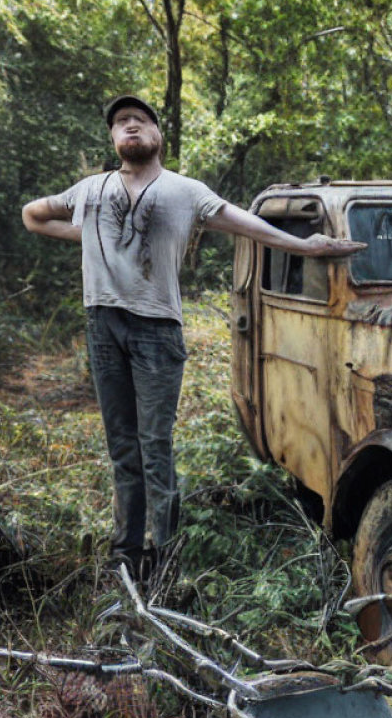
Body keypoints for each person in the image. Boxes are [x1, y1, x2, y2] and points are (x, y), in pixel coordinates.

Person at [21, 95, 364, 577]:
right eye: (122, 123)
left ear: (159, 136)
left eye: (140, 120)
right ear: (113, 139)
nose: (131, 126)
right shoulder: (90, 190)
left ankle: (165, 559)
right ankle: (125, 555)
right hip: (103, 324)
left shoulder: (185, 191)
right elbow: (33, 215)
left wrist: (305, 245)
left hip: (156, 329)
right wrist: (88, 234)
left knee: (154, 443)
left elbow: (250, 225)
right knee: (122, 446)